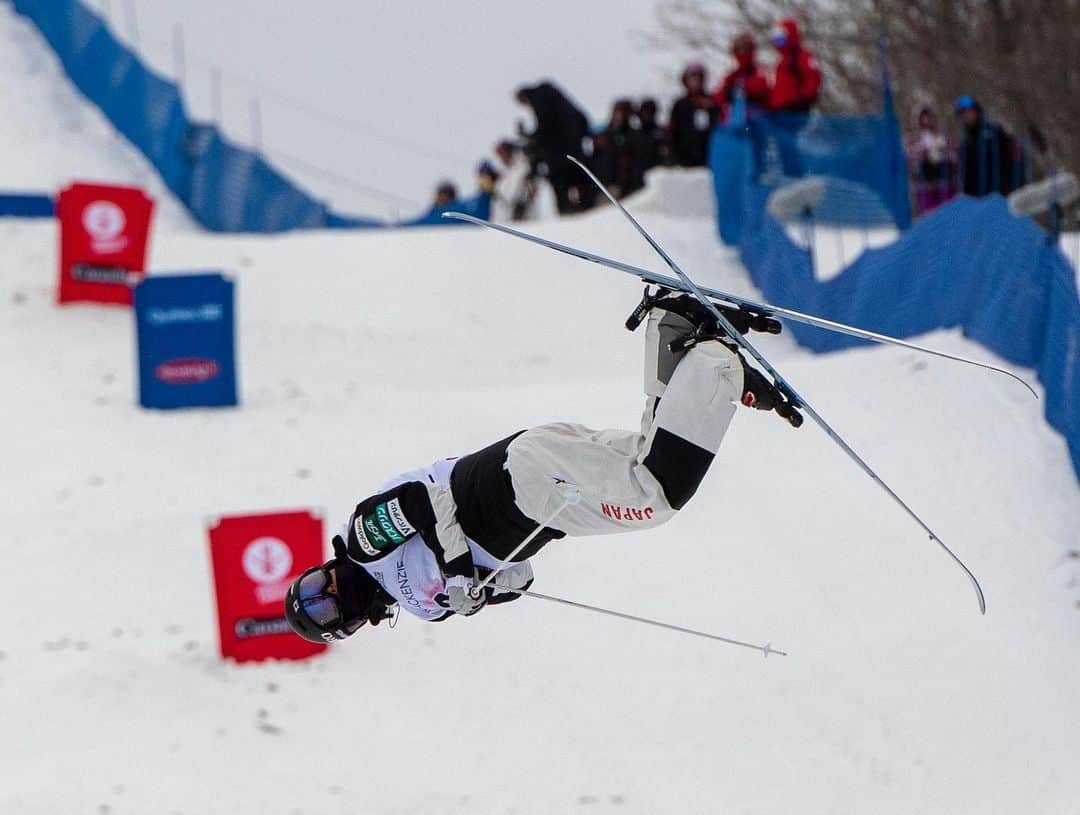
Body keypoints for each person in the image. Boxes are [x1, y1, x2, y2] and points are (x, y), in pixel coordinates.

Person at [284, 292, 794, 642]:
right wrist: (496, 587)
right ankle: (674, 329)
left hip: (519, 483)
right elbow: (517, 575)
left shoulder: (364, 542)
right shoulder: (424, 608)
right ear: (345, 626)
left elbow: (422, 500)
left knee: (654, 494)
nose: (327, 591)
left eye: (312, 585)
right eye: (323, 606)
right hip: (545, 508)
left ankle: (713, 363)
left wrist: (460, 569)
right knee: (647, 462)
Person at [515, 81, 594, 214]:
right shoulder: (555, 97)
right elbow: (581, 118)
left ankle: (567, 208)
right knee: (578, 178)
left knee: (560, 181)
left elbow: (546, 127)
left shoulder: (539, 99)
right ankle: (584, 204)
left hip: (559, 153)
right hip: (574, 147)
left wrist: (533, 140)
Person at [954, 95, 1020, 197]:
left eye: (970, 111)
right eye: (963, 113)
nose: (967, 116)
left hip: (1001, 190)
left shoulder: (994, 131)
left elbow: (1012, 156)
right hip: (979, 195)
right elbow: (965, 175)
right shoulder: (965, 143)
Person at [906, 106, 956, 215]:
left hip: (945, 184)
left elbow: (954, 157)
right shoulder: (914, 139)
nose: (927, 121)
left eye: (929, 117)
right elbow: (911, 161)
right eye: (924, 118)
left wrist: (944, 154)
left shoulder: (944, 137)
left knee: (947, 213)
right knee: (929, 215)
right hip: (925, 186)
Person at [767, 18, 821, 114]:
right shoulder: (781, 61)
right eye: (776, 40)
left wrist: (805, 100)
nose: (778, 43)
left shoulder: (802, 56)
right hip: (778, 110)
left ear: (790, 37)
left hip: (796, 109)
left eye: (781, 39)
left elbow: (813, 77)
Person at [668, 62, 717, 167]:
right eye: (692, 78)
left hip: (708, 156)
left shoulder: (712, 102)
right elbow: (672, 131)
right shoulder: (680, 104)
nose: (695, 82)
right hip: (684, 159)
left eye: (698, 78)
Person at [714, 32, 770, 123]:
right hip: (740, 122)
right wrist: (726, 94)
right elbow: (718, 96)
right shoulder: (733, 76)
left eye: (746, 48)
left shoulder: (761, 70)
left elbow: (762, 86)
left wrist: (739, 89)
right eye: (739, 49)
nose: (742, 52)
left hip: (760, 120)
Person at [594, 98, 643, 199]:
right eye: (617, 112)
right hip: (606, 186)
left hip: (629, 188)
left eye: (622, 112)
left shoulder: (635, 136)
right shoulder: (606, 134)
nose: (619, 116)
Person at [493, 140, 539, 222]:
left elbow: (513, 196)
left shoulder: (522, 169)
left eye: (502, 154)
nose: (501, 158)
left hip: (522, 218)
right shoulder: (505, 173)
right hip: (506, 219)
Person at [632, 97, 667, 173]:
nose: (647, 116)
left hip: (656, 174)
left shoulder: (661, 133)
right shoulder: (634, 134)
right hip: (638, 175)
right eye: (645, 112)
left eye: (650, 112)